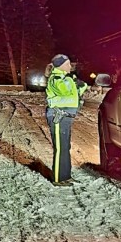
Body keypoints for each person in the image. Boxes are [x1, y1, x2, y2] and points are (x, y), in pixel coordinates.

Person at [45, 53, 88, 187]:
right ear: (61, 66)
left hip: (66, 116)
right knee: (60, 148)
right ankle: (58, 179)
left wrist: (79, 86)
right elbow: (65, 91)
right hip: (58, 116)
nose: (71, 66)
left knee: (65, 148)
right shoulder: (56, 78)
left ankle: (66, 176)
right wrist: (74, 83)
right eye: (68, 64)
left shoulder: (65, 78)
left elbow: (75, 94)